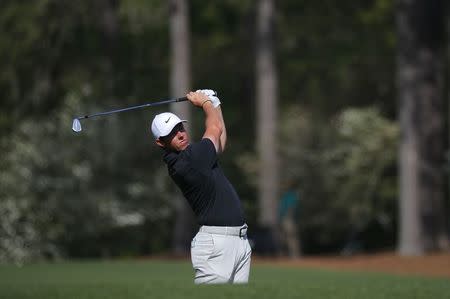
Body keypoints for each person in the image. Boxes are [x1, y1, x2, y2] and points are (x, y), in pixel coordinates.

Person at [150, 89, 252, 284]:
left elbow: (219, 143)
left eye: (180, 128)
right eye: (171, 133)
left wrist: (215, 103)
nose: (180, 134)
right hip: (216, 244)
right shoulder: (188, 161)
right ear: (160, 142)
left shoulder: (195, 155)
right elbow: (214, 127)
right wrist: (205, 103)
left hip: (237, 242)